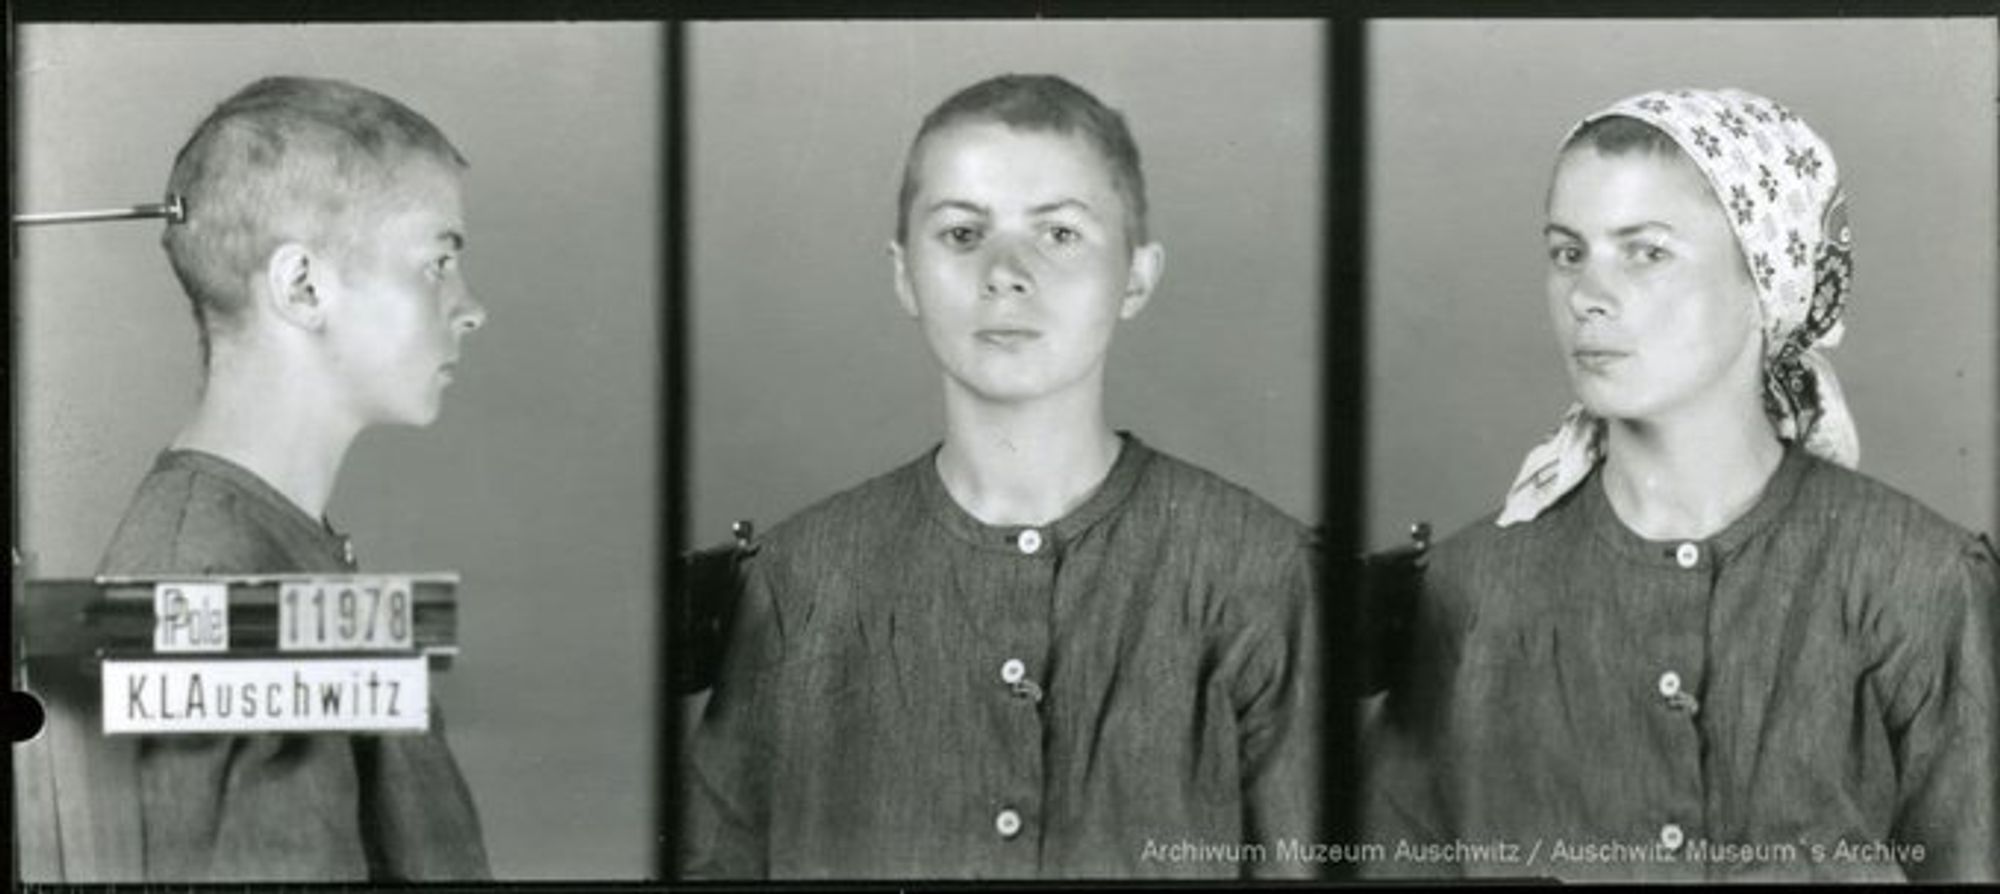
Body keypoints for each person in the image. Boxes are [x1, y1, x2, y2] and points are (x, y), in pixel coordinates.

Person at [683, 74, 1320, 879]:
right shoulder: (794, 583)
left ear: (1137, 277)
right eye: (960, 234)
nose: (1005, 272)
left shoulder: (1259, 576)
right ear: (904, 273)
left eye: (1058, 234)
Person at [1362, 88, 1998, 881]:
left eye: (1646, 252)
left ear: (1766, 282)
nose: (1587, 296)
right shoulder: (1469, 593)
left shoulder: (1917, 585)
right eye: (1568, 252)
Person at [94, 76, 491, 881]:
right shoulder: (224, 592)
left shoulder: (260, 547)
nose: (470, 306)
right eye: (437, 263)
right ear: (302, 287)